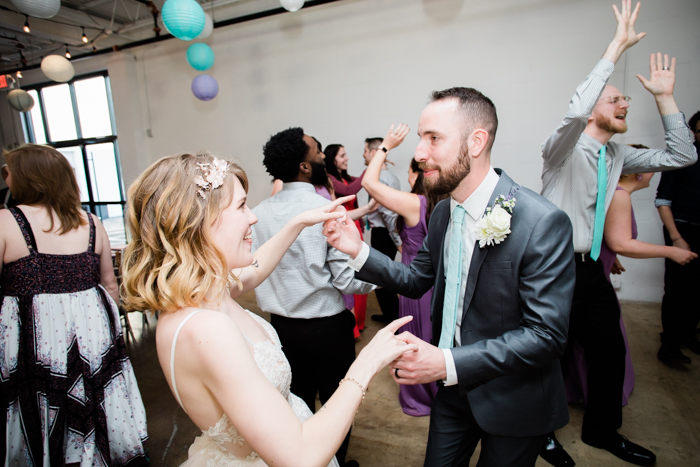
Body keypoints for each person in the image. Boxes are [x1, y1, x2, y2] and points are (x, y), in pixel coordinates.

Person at [324, 87, 575, 467]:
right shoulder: (442, 213)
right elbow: (414, 280)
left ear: (476, 142)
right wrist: (354, 248)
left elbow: (546, 336)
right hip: (453, 395)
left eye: (433, 138)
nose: (419, 152)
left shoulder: (540, 222)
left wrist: (446, 363)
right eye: (421, 138)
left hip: (515, 399)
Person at [121, 151, 415, 467]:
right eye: (241, 206)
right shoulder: (207, 329)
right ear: (198, 224)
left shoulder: (204, 291)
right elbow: (300, 457)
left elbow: (257, 267)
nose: (253, 217)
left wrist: (300, 222)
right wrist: (367, 362)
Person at [539, 2, 698, 465]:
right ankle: (542, 433)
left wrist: (665, 99)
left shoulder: (620, 156)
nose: (625, 103)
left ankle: (603, 432)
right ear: (592, 111)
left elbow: (680, 157)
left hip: (589, 270)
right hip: (552, 269)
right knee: (551, 356)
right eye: (615, 100)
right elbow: (573, 112)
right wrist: (616, 46)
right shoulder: (563, 150)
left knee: (608, 350)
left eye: (625, 100)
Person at [0, 144, 148, 465]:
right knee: (95, 395)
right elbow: (110, 283)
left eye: (7, 171)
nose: (5, 178)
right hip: (92, 327)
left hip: (34, 334)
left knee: (42, 399)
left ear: (28, 175)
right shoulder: (91, 223)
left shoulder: (5, 221)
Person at [252, 129, 378, 467]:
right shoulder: (326, 209)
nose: (323, 157)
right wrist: (383, 276)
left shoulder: (257, 213)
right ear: (306, 168)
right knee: (339, 405)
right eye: (318, 152)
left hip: (280, 331)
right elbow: (346, 279)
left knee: (296, 405)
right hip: (328, 331)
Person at [565, 160, 697, 409]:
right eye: (649, 167)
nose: (653, 173)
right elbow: (621, 242)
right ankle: (588, 393)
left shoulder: (614, 193)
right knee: (598, 338)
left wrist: (610, 257)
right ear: (636, 173)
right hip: (593, 274)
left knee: (591, 335)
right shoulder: (619, 195)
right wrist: (671, 251)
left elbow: (605, 236)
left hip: (599, 264)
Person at [361, 123, 448, 416]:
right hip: (437, 283)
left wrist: (384, 146)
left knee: (415, 337)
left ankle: (419, 398)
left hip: (414, 283)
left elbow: (369, 183)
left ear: (418, 174)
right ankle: (442, 395)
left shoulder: (416, 203)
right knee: (434, 338)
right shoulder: (443, 202)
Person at [655, 111, 700, 365]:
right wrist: (676, 238)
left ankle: (687, 335)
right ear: (694, 132)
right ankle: (669, 344)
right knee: (676, 289)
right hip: (682, 228)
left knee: (697, 290)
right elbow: (663, 200)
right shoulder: (682, 158)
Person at [323, 143, 377, 339]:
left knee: (360, 273)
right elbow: (353, 189)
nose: (346, 158)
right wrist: (370, 166)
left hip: (356, 230)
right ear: (332, 159)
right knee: (352, 276)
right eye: (342, 155)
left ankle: (359, 324)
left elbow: (358, 183)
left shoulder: (344, 177)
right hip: (346, 233)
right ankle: (353, 327)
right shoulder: (330, 179)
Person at [362, 137, 402, 323]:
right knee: (384, 277)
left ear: (373, 152)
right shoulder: (391, 176)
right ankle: (391, 316)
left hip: (383, 234)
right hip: (385, 233)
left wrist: (397, 240)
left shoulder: (379, 178)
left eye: (365, 151)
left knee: (381, 279)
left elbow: (389, 214)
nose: (363, 154)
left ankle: (393, 320)